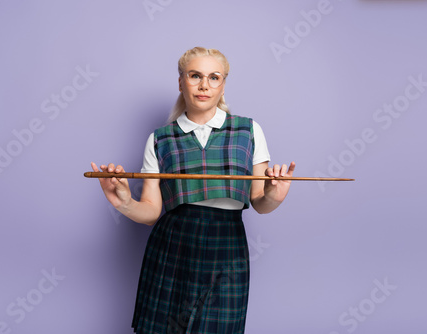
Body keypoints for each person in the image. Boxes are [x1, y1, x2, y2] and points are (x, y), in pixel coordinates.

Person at [91, 47, 295, 334]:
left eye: (214, 77)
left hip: (227, 244)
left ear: (223, 84)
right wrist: (123, 201)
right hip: (174, 243)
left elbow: (260, 201)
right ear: (180, 82)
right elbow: (151, 212)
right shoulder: (160, 139)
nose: (204, 85)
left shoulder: (248, 131)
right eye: (195, 75)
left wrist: (275, 194)